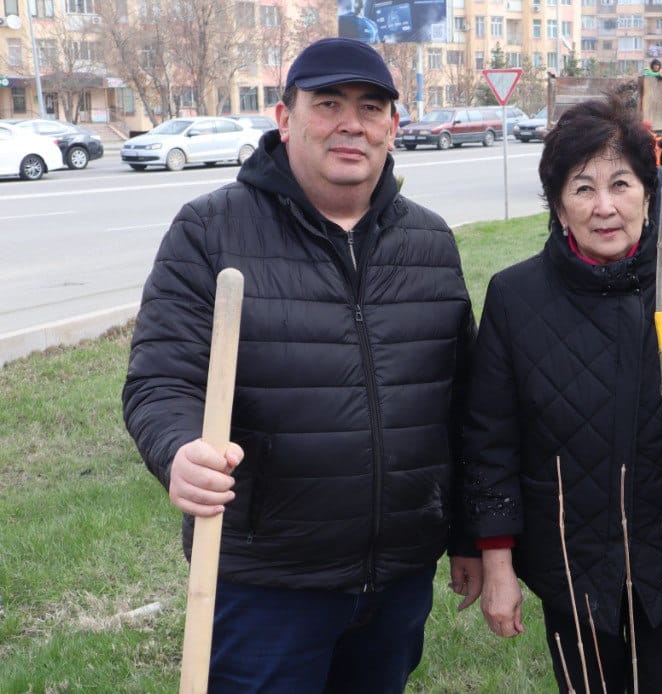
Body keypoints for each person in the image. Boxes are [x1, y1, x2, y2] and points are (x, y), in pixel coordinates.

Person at [122, 37, 480, 693]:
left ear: (392, 126)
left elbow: (461, 405)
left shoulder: (429, 242)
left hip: (398, 581)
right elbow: (161, 378)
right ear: (285, 119)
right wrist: (177, 451)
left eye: (371, 107)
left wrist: (466, 533)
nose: (352, 124)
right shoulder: (210, 232)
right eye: (329, 104)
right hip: (267, 585)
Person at [463, 93, 662, 694]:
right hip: (569, 563)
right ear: (557, 204)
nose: (604, 207)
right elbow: (489, 439)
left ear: (648, 195)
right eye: (582, 188)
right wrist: (497, 561)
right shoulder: (515, 298)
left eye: (621, 184)